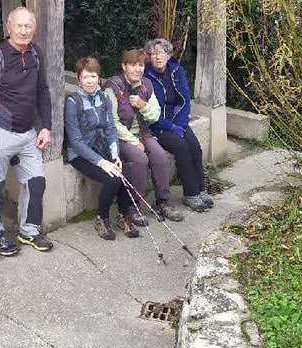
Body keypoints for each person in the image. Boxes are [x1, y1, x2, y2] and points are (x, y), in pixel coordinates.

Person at [0, 6, 54, 256]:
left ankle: (29, 231)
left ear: (34, 28)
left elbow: (43, 91)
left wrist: (46, 127)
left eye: (28, 26)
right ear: (8, 27)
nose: (23, 30)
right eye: (19, 26)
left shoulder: (36, 53)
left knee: (36, 183)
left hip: (29, 134)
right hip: (1, 132)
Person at [104, 49, 183, 223]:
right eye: (133, 65)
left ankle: (163, 202)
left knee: (160, 157)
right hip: (120, 137)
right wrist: (133, 141)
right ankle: (133, 205)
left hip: (143, 133)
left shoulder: (146, 84)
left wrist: (142, 105)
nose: (137, 69)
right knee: (139, 159)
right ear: (124, 66)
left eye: (140, 65)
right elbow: (112, 122)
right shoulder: (113, 87)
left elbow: (155, 114)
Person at [64, 56, 137, 240]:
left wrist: (114, 153)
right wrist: (102, 162)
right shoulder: (73, 102)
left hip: (102, 147)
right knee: (112, 179)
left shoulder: (104, 97)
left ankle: (123, 215)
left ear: (99, 77)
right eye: (85, 77)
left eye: (93, 76)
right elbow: (75, 141)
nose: (90, 81)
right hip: (81, 153)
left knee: (126, 171)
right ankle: (102, 219)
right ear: (79, 79)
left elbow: (110, 128)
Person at [144, 38, 213, 213]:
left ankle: (200, 189)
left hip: (178, 121)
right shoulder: (145, 77)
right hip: (158, 124)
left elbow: (185, 101)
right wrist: (169, 126)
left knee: (195, 147)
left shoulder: (177, 70)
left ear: (168, 55)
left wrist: (180, 125)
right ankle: (191, 194)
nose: (158, 57)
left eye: (161, 53)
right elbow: (149, 112)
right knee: (181, 147)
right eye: (154, 53)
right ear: (149, 57)